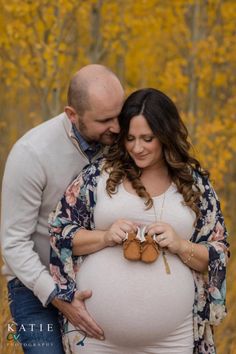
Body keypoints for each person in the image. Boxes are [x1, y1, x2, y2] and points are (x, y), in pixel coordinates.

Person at [49, 88, 229, 354]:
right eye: (130, 138)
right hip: (96, 339)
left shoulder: (195, 186)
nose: (137, 147)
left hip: (173, 340)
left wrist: (180, 245)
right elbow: (59, 233)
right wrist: (104, 236)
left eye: (148, 138)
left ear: (166, 135)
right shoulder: (97, 177)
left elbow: (218, 253)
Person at [0, 64, 125, 353]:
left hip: (97, 281)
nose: (117, 127)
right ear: (72, 115)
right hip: (35, 290)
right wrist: (59, 297)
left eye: (120, 115)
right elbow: (13, 243)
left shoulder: (123, 143)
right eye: (105, 120)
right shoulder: (31, 154)